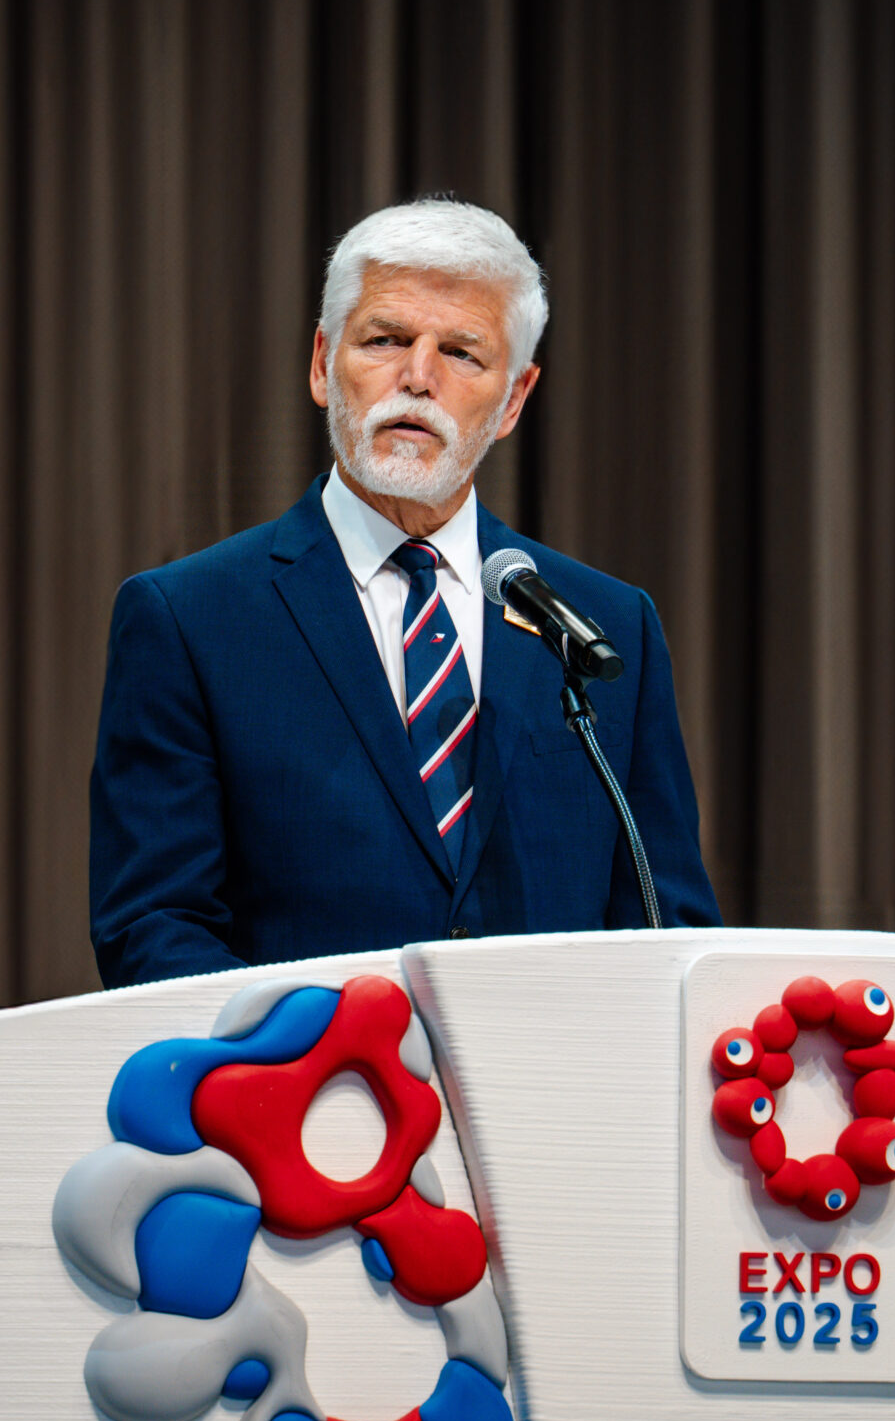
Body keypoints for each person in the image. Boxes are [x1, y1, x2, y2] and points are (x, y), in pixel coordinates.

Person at [88, 197, 720, 986]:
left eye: (462, 353)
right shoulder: (189, 619)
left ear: (514, 400)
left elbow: (668, 929)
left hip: (553, 1097)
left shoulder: (602, 625)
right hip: (304, 1095)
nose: (418, 378)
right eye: (385, 339)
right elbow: (155, 926)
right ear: (323, 364)